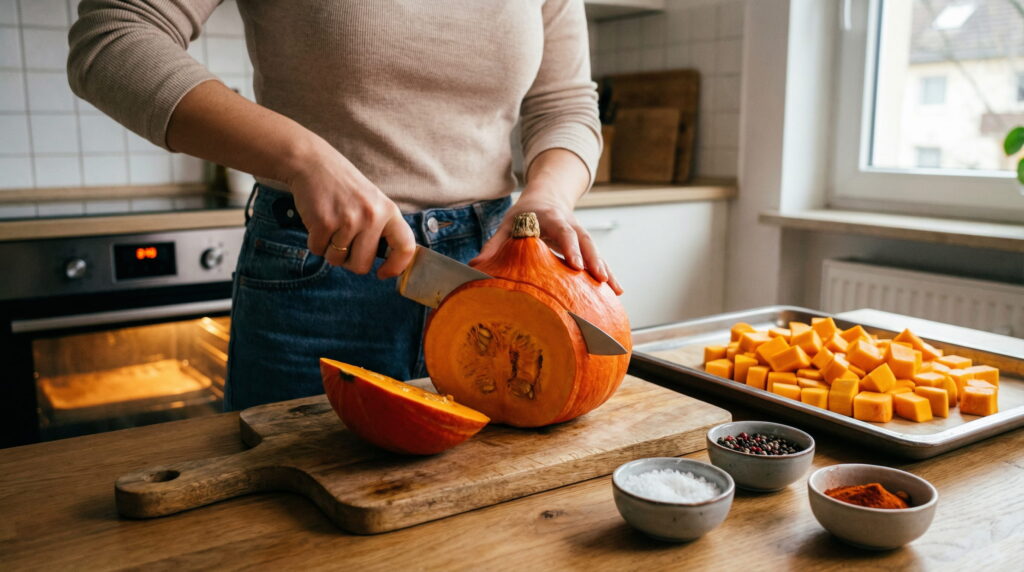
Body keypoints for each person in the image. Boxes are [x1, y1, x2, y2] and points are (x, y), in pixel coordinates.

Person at [68, 0, 621, 411]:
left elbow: (565, 103)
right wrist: (304, 158)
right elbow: (114, 34)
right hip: (320, 266)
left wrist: (547, 195)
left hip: (491, 268)